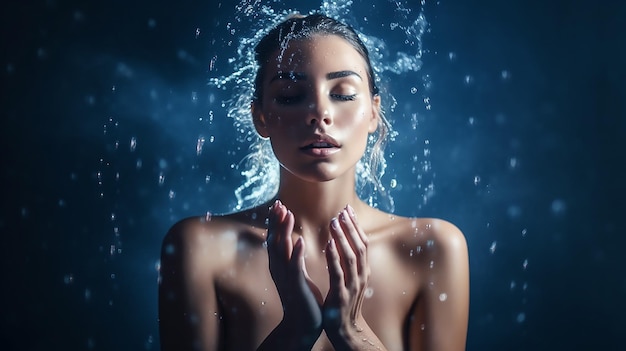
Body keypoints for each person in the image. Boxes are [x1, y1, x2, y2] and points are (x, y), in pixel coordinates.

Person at [159, 13, 469, 351]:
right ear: (260, 117)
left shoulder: (431, 249)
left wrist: (352, 331)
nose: (319, 112)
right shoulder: (202, 248)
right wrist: (294, 330)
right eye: (291, 95)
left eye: (343, 93)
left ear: (373, 113)